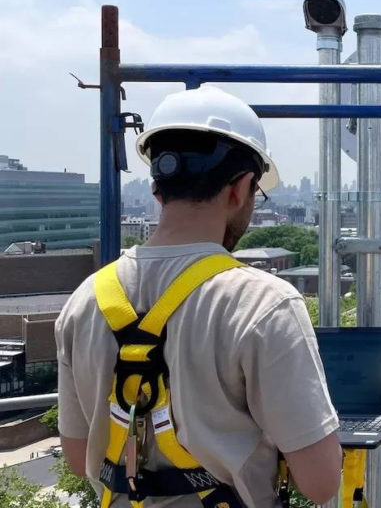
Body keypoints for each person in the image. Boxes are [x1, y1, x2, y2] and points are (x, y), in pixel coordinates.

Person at [55, 87, 342, 507]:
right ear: (240, 188)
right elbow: (321, 482)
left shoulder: (84, 301)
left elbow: (78, 457)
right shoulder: (264, 304)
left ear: (157, 190)